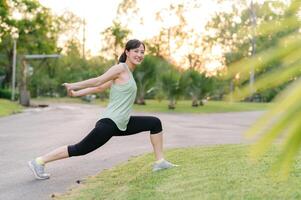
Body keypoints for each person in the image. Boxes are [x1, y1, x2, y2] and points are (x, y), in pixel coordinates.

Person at [28, 39, 177, 180]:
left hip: (121, 123)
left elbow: (99, 88)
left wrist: (76, 94)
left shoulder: (127, 74)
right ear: (127, 51)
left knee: (154, 123)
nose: (140, 55)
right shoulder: (120, 68)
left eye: (142, 52)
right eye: (136, 51)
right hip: (110, 123)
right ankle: (39, 161)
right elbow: (99, 80)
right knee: (79, 149)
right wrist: (74, 85)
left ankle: (160, 162)